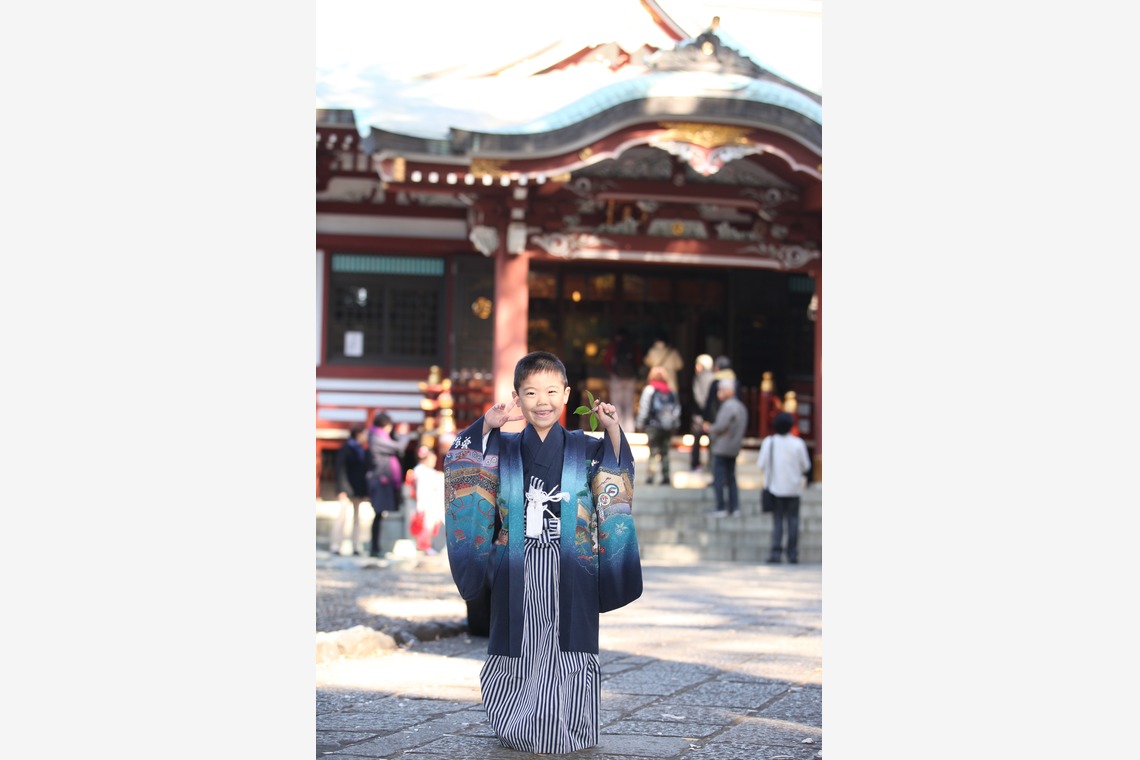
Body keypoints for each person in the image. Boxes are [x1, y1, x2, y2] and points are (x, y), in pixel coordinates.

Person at [443, 350, 642, 754]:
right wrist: (487, 425)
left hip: (573, 562)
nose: (542, 401)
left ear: (567, 395)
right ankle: (516, 721)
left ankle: (570, 725)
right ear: (517, 396)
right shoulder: (505, 446)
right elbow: (463, 460)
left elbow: (615, 470)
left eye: (552, 391)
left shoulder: (584, 447)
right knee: (520, 643)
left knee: (570, 645)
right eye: (531, 392)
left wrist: (613, 431)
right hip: (517, 560)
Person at [758, 411, 812, 563]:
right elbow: (806, 466)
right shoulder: (798, 443)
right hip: (794, 488)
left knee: (778, 520)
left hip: (775, 487)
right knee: (793, 520)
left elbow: (761, 464)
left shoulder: (769, 442)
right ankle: (792, 553)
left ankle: (776, 552)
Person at [366, 411, 413, 557]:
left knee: (380, 515)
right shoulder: (376, 438)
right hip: (381, 480)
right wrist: (405, 436)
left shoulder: (379, 436)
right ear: (386, 425)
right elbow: (398, 447)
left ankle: (376, 547)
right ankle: (374, 548)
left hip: (383, 480)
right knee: (378, 514)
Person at [703, 377, 747, 517]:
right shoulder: (741, 406)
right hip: (734, 447)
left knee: (719, 478)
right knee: (732, 478)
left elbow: (721, 426)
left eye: (721, 390)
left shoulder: (729, 406)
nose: (719, 393)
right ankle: (735, 507)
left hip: (722, 447)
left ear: (728, 391)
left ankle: (721, 506)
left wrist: (710, 428)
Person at [636, 365, 680, 485]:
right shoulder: (670, 391)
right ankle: (666, 477)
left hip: (653, 425)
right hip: (667, 427)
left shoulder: (649, 390)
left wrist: (640, 424)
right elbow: (676, 410)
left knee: (653, 452)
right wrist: (675, 425)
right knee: (665, 452)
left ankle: (651, 476)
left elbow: (644, 408)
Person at [329, 424, 369, 556]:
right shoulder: (347, 449)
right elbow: (340, 470)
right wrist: (342, 489)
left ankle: (356, 545)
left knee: (357, 518)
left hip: (357, 489)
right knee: (342, 518)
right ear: (359, 434)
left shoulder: (362, 450)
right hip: (346, 488)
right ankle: (336, 545)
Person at [602, 327, 640, 432]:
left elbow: (606, 360)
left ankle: (618, 428)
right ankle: (629, 429)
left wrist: (611, 371)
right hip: (631, 378)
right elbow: (638, 360)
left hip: (616, 378)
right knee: (629, 404)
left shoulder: (613, 346)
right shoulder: (633, 346)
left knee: (616, 404)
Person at [409, 445, 445, 554]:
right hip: (426, 502)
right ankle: (424, 547)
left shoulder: (425, 471)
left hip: (431, 502)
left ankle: (426, 546)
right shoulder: (421, 472)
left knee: (429, 525)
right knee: (425, 525)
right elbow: (421, 490)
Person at [688, 353, 715, 472]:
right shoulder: (715, 377)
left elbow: (697, 395)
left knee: (697, 441)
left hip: (699, 414)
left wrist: (703, 408)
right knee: (712, 441)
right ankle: (712, 465)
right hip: (711, 414)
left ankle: (695, 464)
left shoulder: (698, 378)